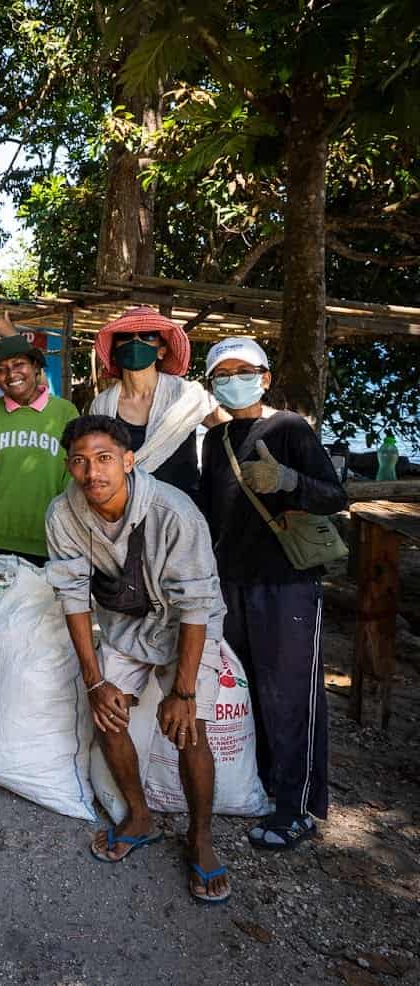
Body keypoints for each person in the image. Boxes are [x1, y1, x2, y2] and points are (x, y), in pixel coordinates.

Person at [45, 415, 231, 903]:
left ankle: (201, 838)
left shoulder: (175, 512)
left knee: (190, 726)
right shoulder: (63, 513)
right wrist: (94, 681)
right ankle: (140, 815)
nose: (93, 473)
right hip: (126, 621)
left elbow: (196, 603)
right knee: (107, 713)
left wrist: (184, 691)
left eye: (104, 458)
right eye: (80, 462)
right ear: (69, 467)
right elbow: (73, 597)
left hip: (186, 623)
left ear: (128, 461)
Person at [198, 337, 346, 852]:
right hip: (230, 583)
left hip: (286, 584)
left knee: (291, 696)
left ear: (264, 377)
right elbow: (208, 513)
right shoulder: (214, 442)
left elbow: (334, 495)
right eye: (222, 373)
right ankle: (259, 785)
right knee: (247, 690)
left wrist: (287, 479)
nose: (232, 380)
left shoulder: (289, 428)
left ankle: (298, 806)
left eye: (243, 371)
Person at [0, 334, 78, 564]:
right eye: (1, 370)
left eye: (18, 364)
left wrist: (68, 529)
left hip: (50, 537)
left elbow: (73, 477)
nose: (11, 374)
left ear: (35, 367)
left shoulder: (65, 412)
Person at [88, 307, 221, 496]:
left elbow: (232, 431)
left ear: (161, 351)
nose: (135, 342)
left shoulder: (189, 395)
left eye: (147, 335)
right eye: (125, 336)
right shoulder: (101, 405)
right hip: (124, 514)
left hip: (181, 514)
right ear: (115, 351)